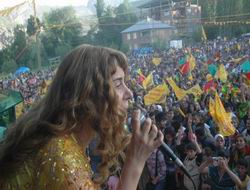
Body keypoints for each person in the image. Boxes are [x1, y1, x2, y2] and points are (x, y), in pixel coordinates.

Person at [0, 44, 163, 190]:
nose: (129, 93)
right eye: (118, 84)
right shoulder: (60, 155)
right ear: (88, 95)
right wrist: (135, 160)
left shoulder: (63, 142)